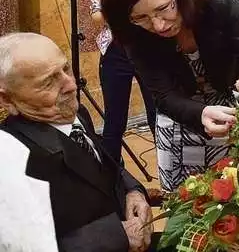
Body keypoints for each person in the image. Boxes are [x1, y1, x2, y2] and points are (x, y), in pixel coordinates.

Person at [100, 0, 239, 192]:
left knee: (234, 202)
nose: (158, 25)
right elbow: (163, 95)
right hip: (178, 123)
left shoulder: (221, 5)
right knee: (186, 208)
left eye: (163, 9)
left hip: (230, 123)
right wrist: (199, 114)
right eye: (141, 18)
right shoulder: (133, 34)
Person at [0, 33, 153, 252]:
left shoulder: (74, 112)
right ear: (6, 99)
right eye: (48, 82)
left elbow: (104, 165)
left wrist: (133, 190)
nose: (71, 85)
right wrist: (117, 236)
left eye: (66, 69)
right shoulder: (13, 160)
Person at [89, 0, 157, 164]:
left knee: (158, 118)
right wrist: (128, 11)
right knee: (114, 123)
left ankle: (170, 183)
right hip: (116, 49)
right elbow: (96, 14)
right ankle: (112, 189)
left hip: (152, 47)